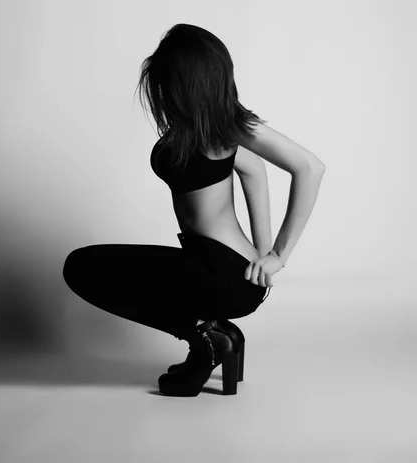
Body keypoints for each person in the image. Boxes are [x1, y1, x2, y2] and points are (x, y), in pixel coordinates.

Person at [62, 23, 325, 397]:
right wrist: (263, 251)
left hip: (224, 275)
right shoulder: (207, 131)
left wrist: (277, 256)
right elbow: (254, 172)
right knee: (85, 267)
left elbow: (310, 168)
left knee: (81, 269)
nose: (162, 94)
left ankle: (204, 339)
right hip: (219, 269)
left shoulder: (228, 127)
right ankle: (213, 334)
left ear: (189, 85)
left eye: (167, 85)